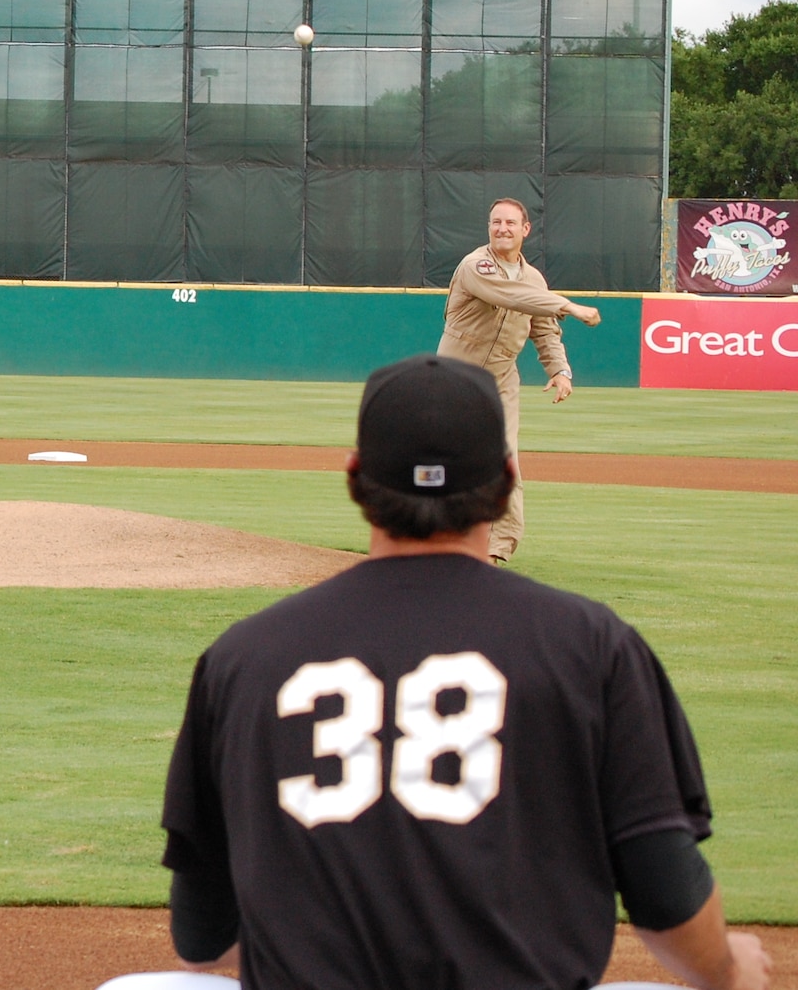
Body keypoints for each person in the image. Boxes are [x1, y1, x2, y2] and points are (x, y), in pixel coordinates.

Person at [158, 354, 770, 990]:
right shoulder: (593, 646)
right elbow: (665, 893)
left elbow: (202, 941)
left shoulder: (243, 657)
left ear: (355, 479)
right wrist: (728, 972)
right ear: (506, 483)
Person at [435, 197, 601, 563]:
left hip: (500, 379)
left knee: (503, 461)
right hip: (454, 377)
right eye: (496, 222)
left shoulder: (534, 278)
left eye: (510, 223)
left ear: (525, 230)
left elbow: (543, 329)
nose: (502, 229)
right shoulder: (475, 265)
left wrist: (559, 369)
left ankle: (493, 552)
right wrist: (568, 305)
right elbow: (513, 296)